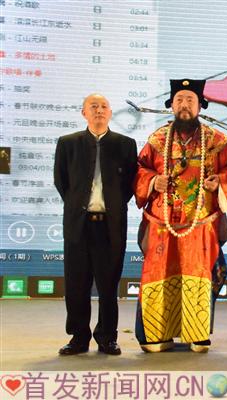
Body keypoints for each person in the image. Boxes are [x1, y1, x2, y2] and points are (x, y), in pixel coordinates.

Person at [134, 79, 227, 353]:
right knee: (159, 275)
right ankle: (156, 334)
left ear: (199, 106)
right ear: (171, 105)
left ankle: (197, 333)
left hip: (200, 224)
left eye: (190, 100)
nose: (184, 105)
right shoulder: (157, 141)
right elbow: (140, 168)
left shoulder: (216, 141)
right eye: (179, 100)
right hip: (162, 223)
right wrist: (153, 180)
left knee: (198, 275)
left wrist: (220, 182)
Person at [54, 93, 138, 356]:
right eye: (93, 107)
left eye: (104, 106)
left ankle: (107, 338)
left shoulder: (125, 144)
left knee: (108, 285)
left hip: (110, 226)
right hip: (78, 225)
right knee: (76, 285)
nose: (99, 110)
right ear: (84, 113)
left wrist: (112, 205)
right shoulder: (68, 143)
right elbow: (61, 181)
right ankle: (78, 338)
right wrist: (78, 205)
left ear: (110, 112)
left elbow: (129, 185)